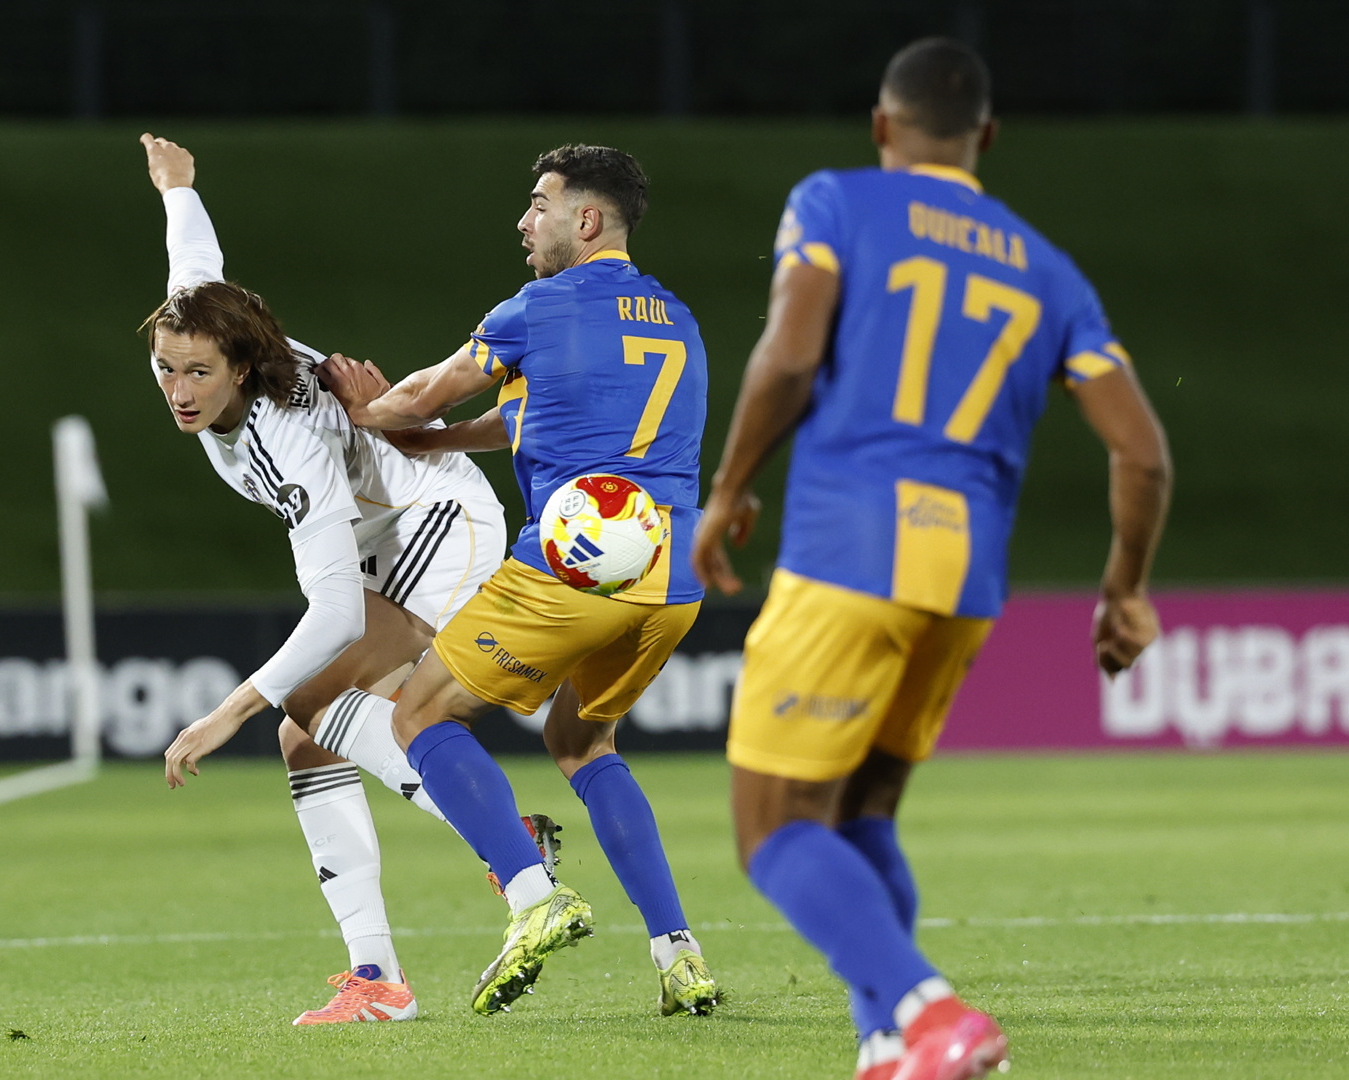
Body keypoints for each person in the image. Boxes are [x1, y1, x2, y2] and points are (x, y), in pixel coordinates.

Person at [691, 38, 1172, 1080]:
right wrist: (1124, 589)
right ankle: (886, 1045)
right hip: (966, 576)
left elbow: (789, 353)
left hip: (850, 547)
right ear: (985, 136)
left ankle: (930, 1011)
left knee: (772, 831)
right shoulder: (1049, 271)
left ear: (881, 124)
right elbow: (1142, 453)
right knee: (861, 812)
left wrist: (727, 489)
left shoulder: (834, 202)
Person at [138, 133, 556, 1026]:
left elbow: (334, 612)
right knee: (308, 738)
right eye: (167, 367)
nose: (178, 388)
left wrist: (225, 713)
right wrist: (178, 186)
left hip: (434, 519)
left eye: (198, 373)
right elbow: (195, 262)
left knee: (312, 701)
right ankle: (379, 980)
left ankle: (511, 850)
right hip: (382, 530)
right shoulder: (203, 329)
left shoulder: (286, 439)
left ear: (241, 369)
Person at [315, 144, 720, 1017]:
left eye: (540, 204)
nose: (524, 221)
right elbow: (538, 413)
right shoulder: (676, 318)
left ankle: (534, 897)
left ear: (587, 219)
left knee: (419, 714)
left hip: (575, 565)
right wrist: (436, 441)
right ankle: (678, 951)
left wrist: (368, 412)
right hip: (672, 573)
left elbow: (424, 392)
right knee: (583, 743)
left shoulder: (538, 307)